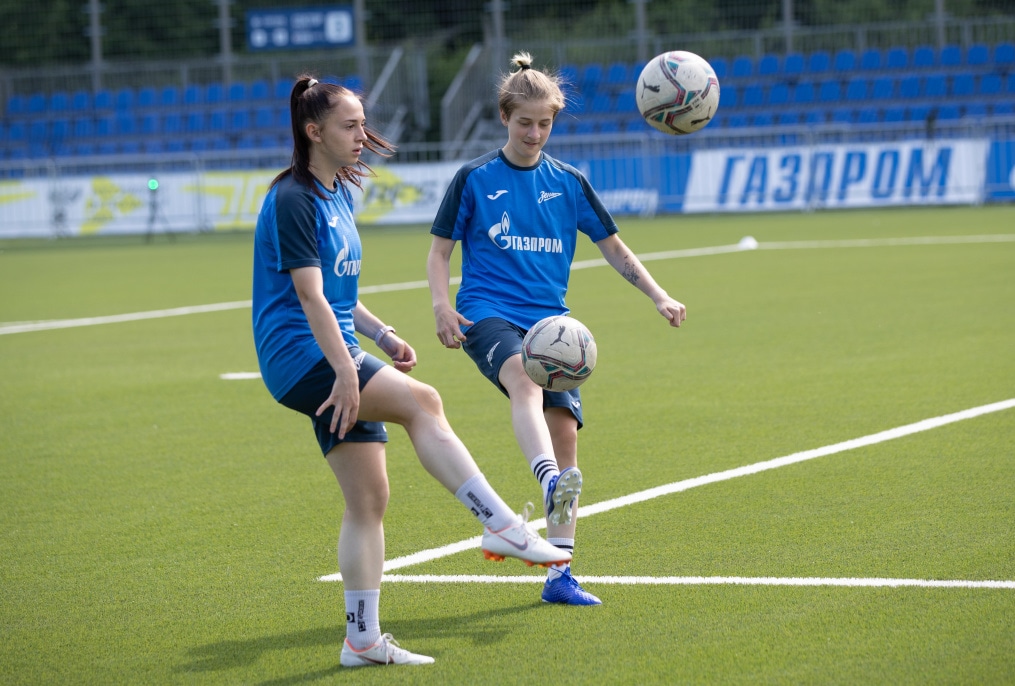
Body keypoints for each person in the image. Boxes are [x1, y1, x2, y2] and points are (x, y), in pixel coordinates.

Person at [251, 74, 571, 668]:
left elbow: (342, 292)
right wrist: (348, 370)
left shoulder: (338, 192)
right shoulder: (293, 198)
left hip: (334, 350)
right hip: (302, 356)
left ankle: (362, 640)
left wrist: (381, 334)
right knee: (423, 402)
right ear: (312, 131)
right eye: (350, 126)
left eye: (363, 124)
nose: (363, 136)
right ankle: (501, 524)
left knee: (369, 499)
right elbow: (312, 298)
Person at [427, 53, 687, 606]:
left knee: (566, 434)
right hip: (486, 312)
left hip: (552, 325)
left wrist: (658, 295)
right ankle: (546, 480)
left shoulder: (568, 182)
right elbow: (440, 249)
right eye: (525, 122)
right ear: (505, 118)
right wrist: (441, 306)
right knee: (524, 379)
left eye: (545, 123)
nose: (535, 133)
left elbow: (613, 248)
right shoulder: (474, 178)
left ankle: (560, 574)